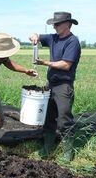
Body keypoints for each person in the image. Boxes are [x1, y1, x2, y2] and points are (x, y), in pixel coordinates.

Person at [29, 11, 81, 162]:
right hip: (50, 84)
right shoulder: (53, 38)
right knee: (48, 117)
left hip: (64, 86)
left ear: (68, 24)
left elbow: (66, 64)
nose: (54, 27)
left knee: (64, 118)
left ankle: (67, 152)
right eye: (53, 24)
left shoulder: (73, 42)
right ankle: (47, 148)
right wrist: (34, 36)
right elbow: (36, 36)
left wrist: (44, 63)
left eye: (57, 24)